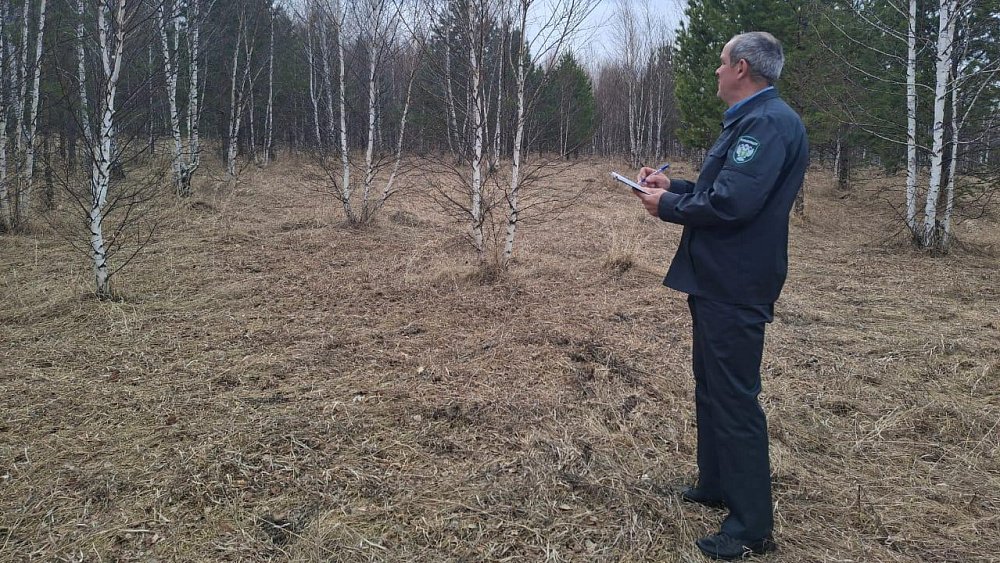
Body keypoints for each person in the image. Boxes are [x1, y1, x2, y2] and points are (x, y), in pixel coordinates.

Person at [632, 32, 808, 560]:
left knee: (733, 398)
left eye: (721, 61)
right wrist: (673, 188)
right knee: (711, 387)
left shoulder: (767, 124)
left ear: (743, 68)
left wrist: (667, 207)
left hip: (736, 283)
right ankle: (715, 483)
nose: (716, 70)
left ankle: (752, 526)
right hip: (718, 279)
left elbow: (732, 204)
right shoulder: (751, 120)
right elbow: (721, 190)